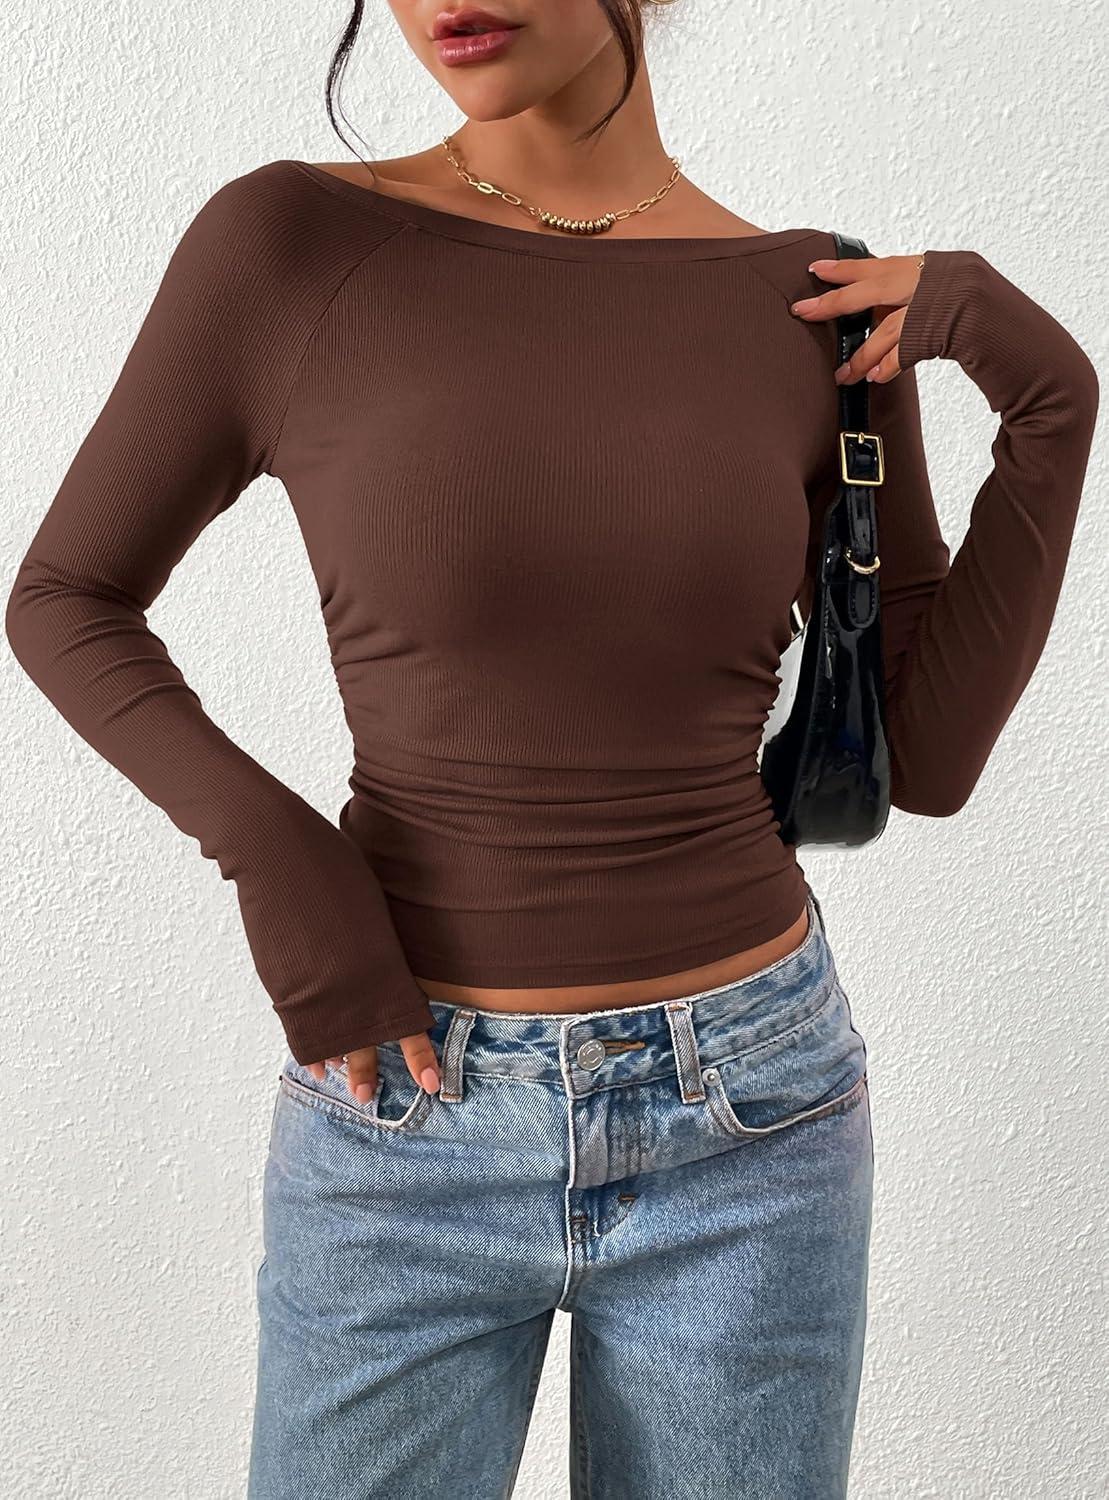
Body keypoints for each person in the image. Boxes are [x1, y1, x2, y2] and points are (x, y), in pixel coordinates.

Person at [5, 2, 1098, 1496]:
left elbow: (933, 757)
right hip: (405, 1109)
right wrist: (280, 856)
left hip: (753, 1110)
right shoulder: (293, 247)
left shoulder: (813, 303)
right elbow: (67, 595)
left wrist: (1050, 401)